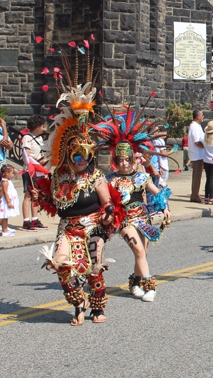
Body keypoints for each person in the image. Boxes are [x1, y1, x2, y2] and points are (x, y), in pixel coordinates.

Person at [33, 43, 115, 325]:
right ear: (67, 154)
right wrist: (39, 197)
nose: (81, 160)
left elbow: (108, 203)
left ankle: (97, 306)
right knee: (61, 264)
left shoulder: (95, 176)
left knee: (94, 265)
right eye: (77, 155)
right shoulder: (57, 176)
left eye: (86, 155)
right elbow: (53, 204)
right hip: (67, 227)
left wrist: (108, 214)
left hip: (92, 224)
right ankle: (77, 302)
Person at [98, 126, 171, 302]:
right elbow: (104, 202)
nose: (124, 163)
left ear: (132, 159)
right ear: (115, 160)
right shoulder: (109, 180)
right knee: (138, 250)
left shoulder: (141, 177)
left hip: (143, 219)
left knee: (142, 254)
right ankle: (150, 286)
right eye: (120, 160)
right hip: (124, 220)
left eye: (127, 159)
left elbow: (158, 193)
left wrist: (165, 208)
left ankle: (135, 282)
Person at [21, 115, 48, 232]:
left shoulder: (39, 138)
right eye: (42, 126)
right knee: (28, 195)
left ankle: (35, 219)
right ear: (36, 126)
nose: (44, 128)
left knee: (36, 196)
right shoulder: (27, 138)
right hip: (29, 170)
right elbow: (26, 155)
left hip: (38, 171)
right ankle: (26, 220)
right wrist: (37, 161)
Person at [188, 110, 205, 203]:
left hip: (199, 154)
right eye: (202, 115)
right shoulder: (194, 127)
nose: (203, 117)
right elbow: (197, 142)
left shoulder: (197, 126)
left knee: (198, 176)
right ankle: (194, 195)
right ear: (197, 116)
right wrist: (206, 146)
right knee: (197, 176)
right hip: (197, 154)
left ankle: (196, 194)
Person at [0, 164, 19, 236]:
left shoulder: (7, 181)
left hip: (7, 201)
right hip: (5, 202)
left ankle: (6, 228)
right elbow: (5, 192)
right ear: (7, 173)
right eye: (12, 173)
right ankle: (5, 231)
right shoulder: (5, 182)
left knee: (6, 216)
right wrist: (8, 202)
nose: (13, 175)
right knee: (5, 216)